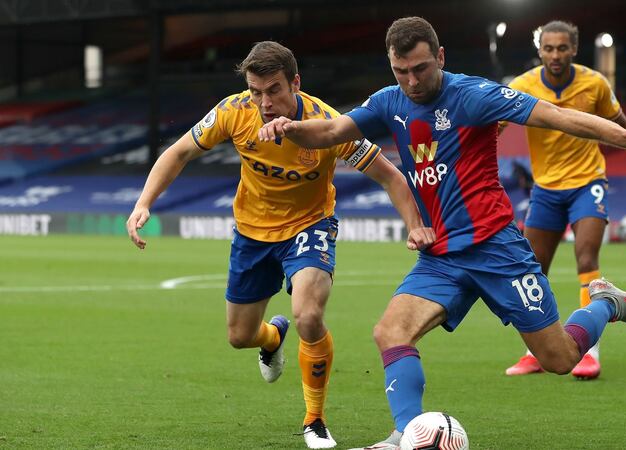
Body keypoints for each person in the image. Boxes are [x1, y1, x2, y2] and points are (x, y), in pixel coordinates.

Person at [258, 17, 626, 450]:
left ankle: (605, 303)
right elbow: (329, 130)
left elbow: (556, 116)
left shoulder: (474, 96)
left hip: (497, 249)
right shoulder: (389, 101)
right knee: (390, 332)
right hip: (441, 256)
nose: (411, 81)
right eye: (401, 71)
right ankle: (406, 432)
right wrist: (290, 127)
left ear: (440, 57)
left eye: (420, 69)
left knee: (558, 358)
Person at [125, 41, 434, 450]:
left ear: (296, 83)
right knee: (239, 336)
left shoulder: (328, 123)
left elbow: (391, 176)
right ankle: (272, 339)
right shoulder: (234, 112)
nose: (264, 102)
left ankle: (315, 420)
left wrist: (415, 226)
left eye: (273, 90)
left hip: (310, 226)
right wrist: (144, 203)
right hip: (252, 234)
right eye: (256, 91)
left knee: (308, 314)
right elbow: (179, 152)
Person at [502, 20, 626, 380]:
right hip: (545, 189)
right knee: (531, 271)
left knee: (586, 257)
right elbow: (490, 125)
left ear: (574, 49)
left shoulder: (594, 83)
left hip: (587, 182)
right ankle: (536, 351)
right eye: (549, 48)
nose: (555, 55)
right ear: (540, 51)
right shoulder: (523, 86)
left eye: (562, 48)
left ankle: (588, 352)